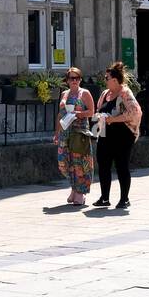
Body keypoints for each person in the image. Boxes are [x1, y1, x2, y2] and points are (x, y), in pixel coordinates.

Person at [94, 61, 142, 209]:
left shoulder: (125, 93)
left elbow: (135, 112)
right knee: (103, 165)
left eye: (107, 78)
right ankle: (104, 197)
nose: (105, 80)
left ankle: (124, 199)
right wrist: (98, 120)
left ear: (115, 80)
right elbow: (98, 111)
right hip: (105, 134)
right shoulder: (105, 94)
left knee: (122, 166)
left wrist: (113, 119)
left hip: (122, 135)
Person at [53, 67, 95, 205]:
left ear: (80, 80)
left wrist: (79, 113)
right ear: (67, 80)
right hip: (65, 132)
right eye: (72, 78)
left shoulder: (85, 93)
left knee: (79, 163)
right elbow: (60, 114)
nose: (74, 81)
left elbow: (91, 112)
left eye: (77, 78)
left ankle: (80, 193)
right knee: (64, 163)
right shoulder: (64, 94)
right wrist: (56, 133)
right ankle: (74, 188)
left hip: (79, 132)